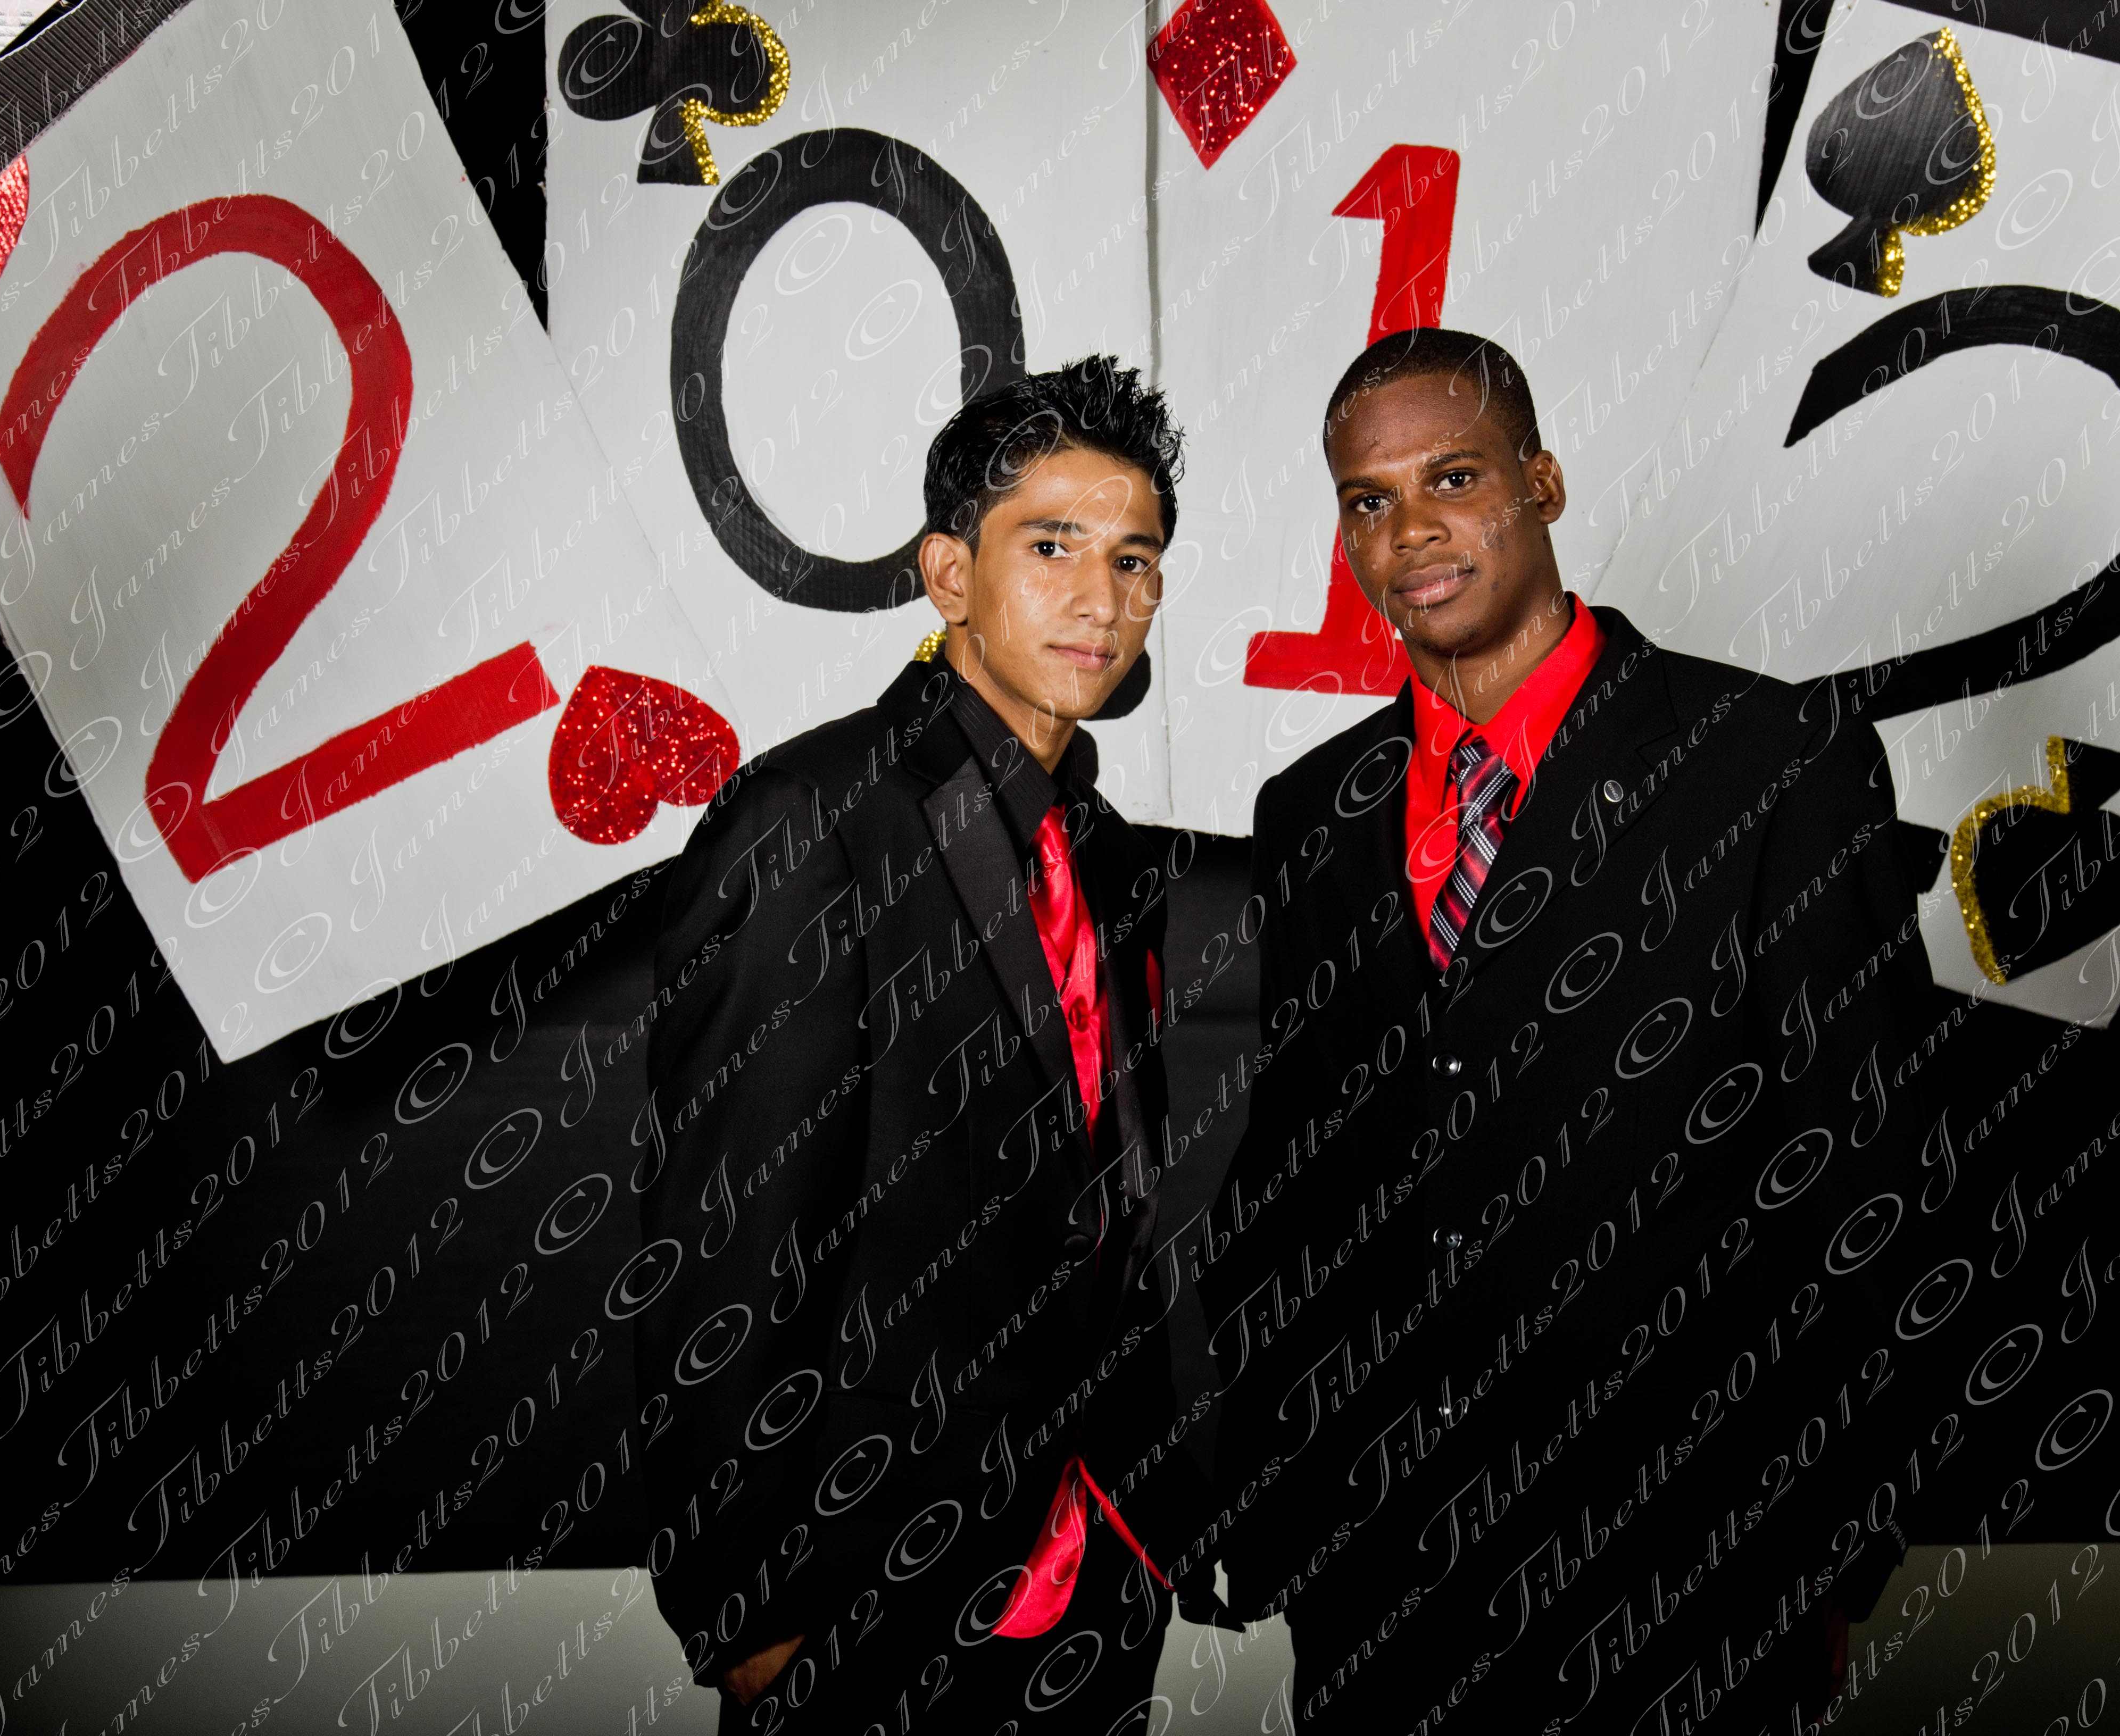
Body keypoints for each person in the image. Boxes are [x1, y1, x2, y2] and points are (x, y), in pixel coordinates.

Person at [1202, 329, 1933, 1733]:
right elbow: (1289, 1181)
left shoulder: (1771, 761)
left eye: (1454, 477)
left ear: (1540, 482)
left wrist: (1831, 1550)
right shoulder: (1313, 812)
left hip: (1691, 1573)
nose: (1412, 531)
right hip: (1385, 1590)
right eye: (1368, 499)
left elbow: (1871, 1173)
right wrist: (1277, 1501)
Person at [639, 356, 1205, 1732]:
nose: (1101, 598)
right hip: (867, 1594)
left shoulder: (1107, 849)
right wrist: (747, 1603)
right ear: (949, 573)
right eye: (1051, 546)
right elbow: (727, 1238)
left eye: (1133, 560)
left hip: (1093, 1572)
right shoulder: (813, 818)